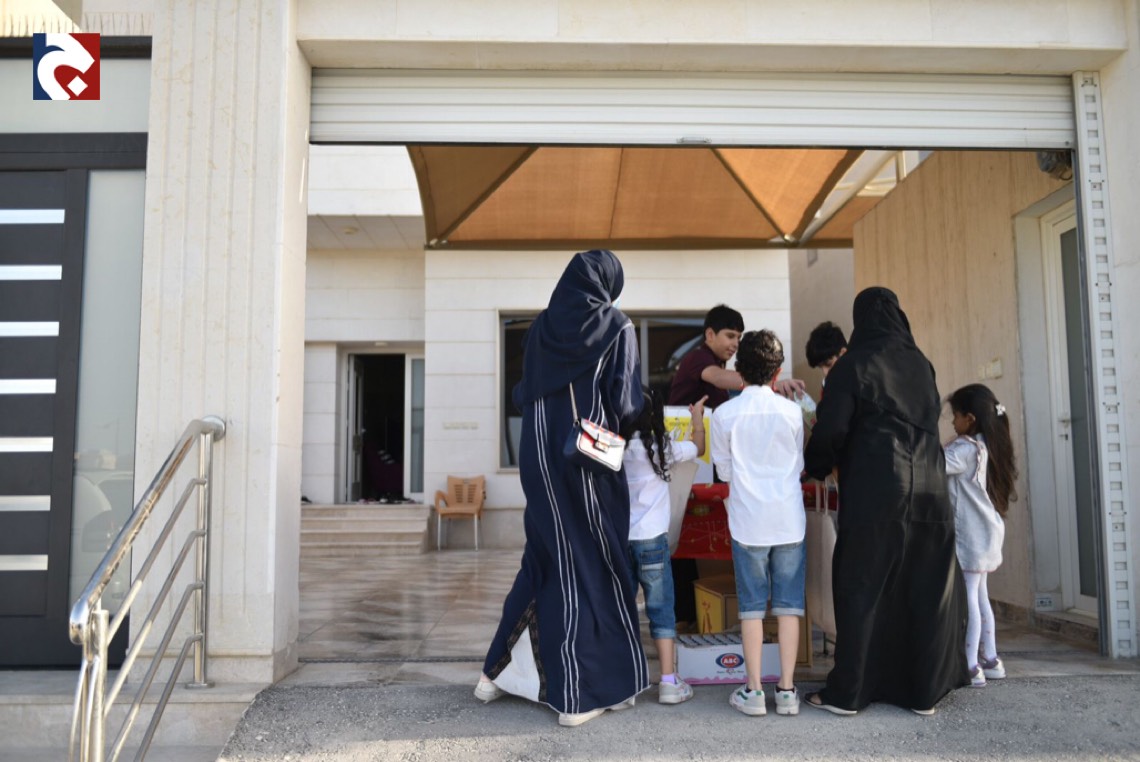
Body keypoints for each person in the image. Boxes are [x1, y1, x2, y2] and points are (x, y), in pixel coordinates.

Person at [475, 250, 648, 727]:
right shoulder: (617, 326)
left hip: (538, 460)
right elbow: (626, 404)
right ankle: (578, 695)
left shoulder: (539, 329)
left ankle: (494, 673)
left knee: (542, 559)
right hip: (585, 461)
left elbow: (522, 393)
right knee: (590, 565)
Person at [803, 286, 968, 716]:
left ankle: (849, 693)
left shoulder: (853, 365)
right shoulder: (922, 364)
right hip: (930, 490)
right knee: (922, 587)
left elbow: (831, 429)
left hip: (876, 490)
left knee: (863, 586)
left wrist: (815, 465)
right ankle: (922, 693)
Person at [710, 330, 806, 717]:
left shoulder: (724, 414)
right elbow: (798, 465)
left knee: (751, 608)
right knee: (789, 607)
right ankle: (787, 691)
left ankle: (753, 691)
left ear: (739, 370)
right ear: (777, 371)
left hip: (747, 520)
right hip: (789, 519)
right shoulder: (792, 412)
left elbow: (723, 470)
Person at [621, 388, 707, 706]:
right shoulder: (662, 448)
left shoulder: (616, 448)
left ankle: (623, 681)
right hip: (653, 539)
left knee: (622, 609)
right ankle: (669, 682)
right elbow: (699, 447)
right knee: (661, 610)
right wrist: (696, 419)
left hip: (621, 539)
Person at [945, 383, 1017, 688]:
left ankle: (971, 665)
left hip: (971, 537)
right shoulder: (990, 445)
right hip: (988, 533)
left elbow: (933, 464)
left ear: (970, 418)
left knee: (970, 599)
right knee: (981, 595)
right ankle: (991, 658)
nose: (952, 422)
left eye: (955, 416)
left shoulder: (965, 450)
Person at [805, 321, 848, 389]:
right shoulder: (826, 384)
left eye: (828, 364)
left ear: (843, 353)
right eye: (820, 367)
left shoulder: (861, 383)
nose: (825, 372)